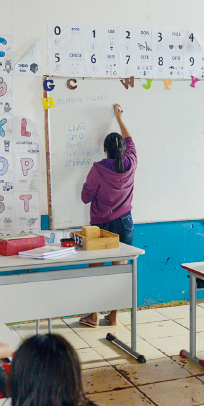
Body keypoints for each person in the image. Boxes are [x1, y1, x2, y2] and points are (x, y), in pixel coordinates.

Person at [80, 104, 134, 327]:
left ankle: (93, 315)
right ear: (124, 149)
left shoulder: (98, 169)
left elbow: (85, 197)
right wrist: (119, 119)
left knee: (96, 271)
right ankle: (114, 316)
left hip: (101, 226)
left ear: (104, 149)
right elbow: (130, 141)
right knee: (120, 271)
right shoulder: (131, 162)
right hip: (125, 223)